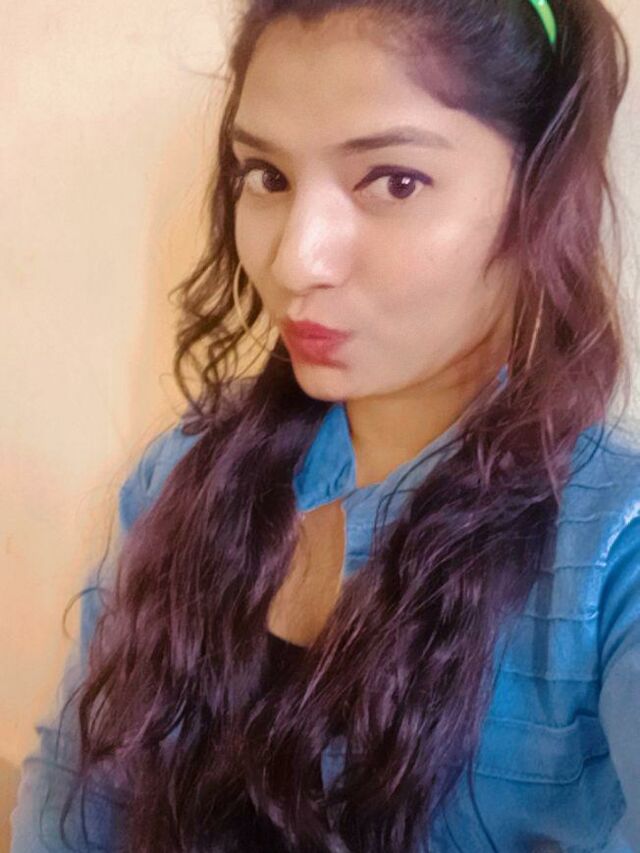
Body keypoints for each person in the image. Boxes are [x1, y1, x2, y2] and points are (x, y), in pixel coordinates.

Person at [10, 0, 640, 850]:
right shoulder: (184, 472)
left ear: (541, 192)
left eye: (394, 181)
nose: (295, 259)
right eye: (266, 177)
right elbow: (74, 791)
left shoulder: (612, 552)